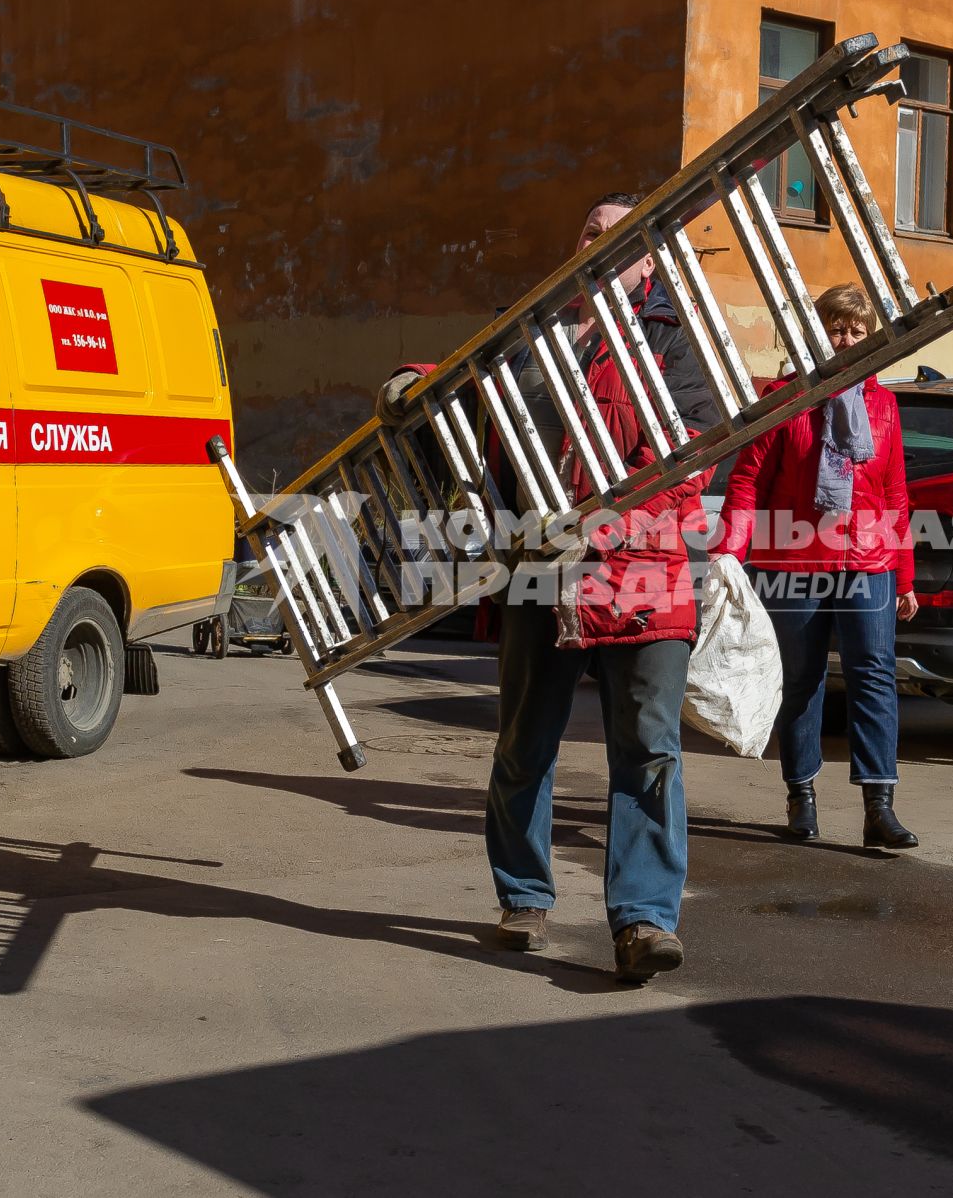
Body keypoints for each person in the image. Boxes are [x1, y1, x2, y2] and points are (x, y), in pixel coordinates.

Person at [378, 191, 716, 982]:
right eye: (587, 228)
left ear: (649, 256)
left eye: (615, 233)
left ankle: (643, 921)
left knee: (649, 755)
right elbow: (468, 384)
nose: (595, 240)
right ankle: (524, 894)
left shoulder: (676, 343)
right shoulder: (534, 328)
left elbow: (697, 453)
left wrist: (602, 527)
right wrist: (413, 379)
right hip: (539, 573)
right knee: (525, 739)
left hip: (644, 576)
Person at [713, 283, 920, 849]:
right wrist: (729, 552)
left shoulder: (883, 404)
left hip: (869, 560)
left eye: (857, 331)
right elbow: (748, 477)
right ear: (813, 331)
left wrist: (904, 575)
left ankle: (879, 807)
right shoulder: (785, 399)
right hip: (794, 560)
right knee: (801, 681)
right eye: (836, 328)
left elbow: (896, 494)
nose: (847, 339)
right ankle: (800, 795)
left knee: (873, 676)